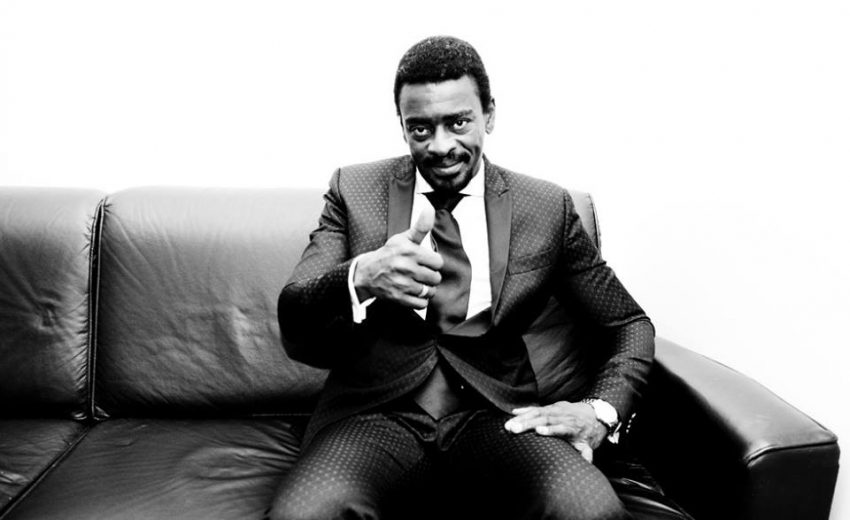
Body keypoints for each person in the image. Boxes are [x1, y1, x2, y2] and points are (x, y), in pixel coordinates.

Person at [270, 35, 654, 520]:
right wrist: (360, 275)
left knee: (589, 510)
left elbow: (629, 324)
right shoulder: (354, 189)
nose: (441, 145)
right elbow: (295, 318)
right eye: (421, 128)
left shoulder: (546, 208)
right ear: (402, 126)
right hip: (374, 417)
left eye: (458, 122)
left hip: (498, 417)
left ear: (489, 115)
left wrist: (599, 411)